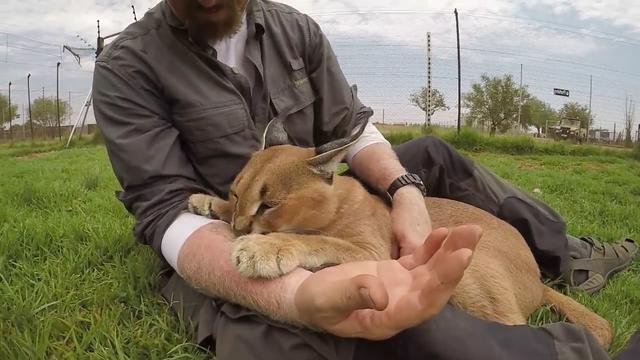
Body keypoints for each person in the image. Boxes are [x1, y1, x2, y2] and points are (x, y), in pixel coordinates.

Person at [92, 0, 638, 359]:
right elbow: (165, 211)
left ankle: (568, 255)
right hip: (228, 227)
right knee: (337, 324)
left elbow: (352, 129)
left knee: (428, 155)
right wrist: (296, 294)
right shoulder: (129, 66)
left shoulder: (291, 28)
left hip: (318, 191)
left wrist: (405, 193)